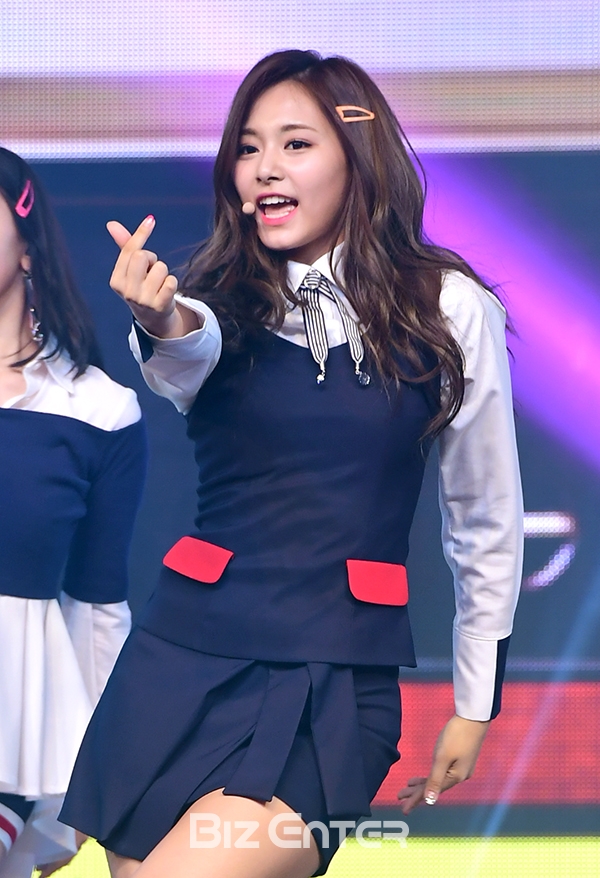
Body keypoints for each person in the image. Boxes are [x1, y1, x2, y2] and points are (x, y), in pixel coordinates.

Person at [60, 50, 523, 878]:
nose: (265, 167)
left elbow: (483, 515)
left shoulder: (449, 307)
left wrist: (475, 700)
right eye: (248, 147)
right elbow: (184, 347)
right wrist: (158, 317)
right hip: (179, 664)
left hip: (332, 680)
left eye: (295, 144)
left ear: (359, 156)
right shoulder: (216, 301)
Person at [0, 147, 146, 878]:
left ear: (27, 246)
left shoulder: (96, 410)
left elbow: (97, 608)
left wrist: (100, 772)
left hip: (14, 720)